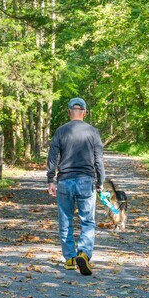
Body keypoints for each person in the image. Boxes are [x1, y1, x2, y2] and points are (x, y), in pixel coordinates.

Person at [47, 97, 105, 275]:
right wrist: (100, 182)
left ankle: (70, 259)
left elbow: (53, 156)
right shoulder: (93, 132)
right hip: (86, 180)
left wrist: (50, 180)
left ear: (69, 112)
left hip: (64, 180)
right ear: (84, 112)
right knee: (87, 220)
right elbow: (98, 160)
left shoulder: (61, 131)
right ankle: (84, 255)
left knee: (65, 220)